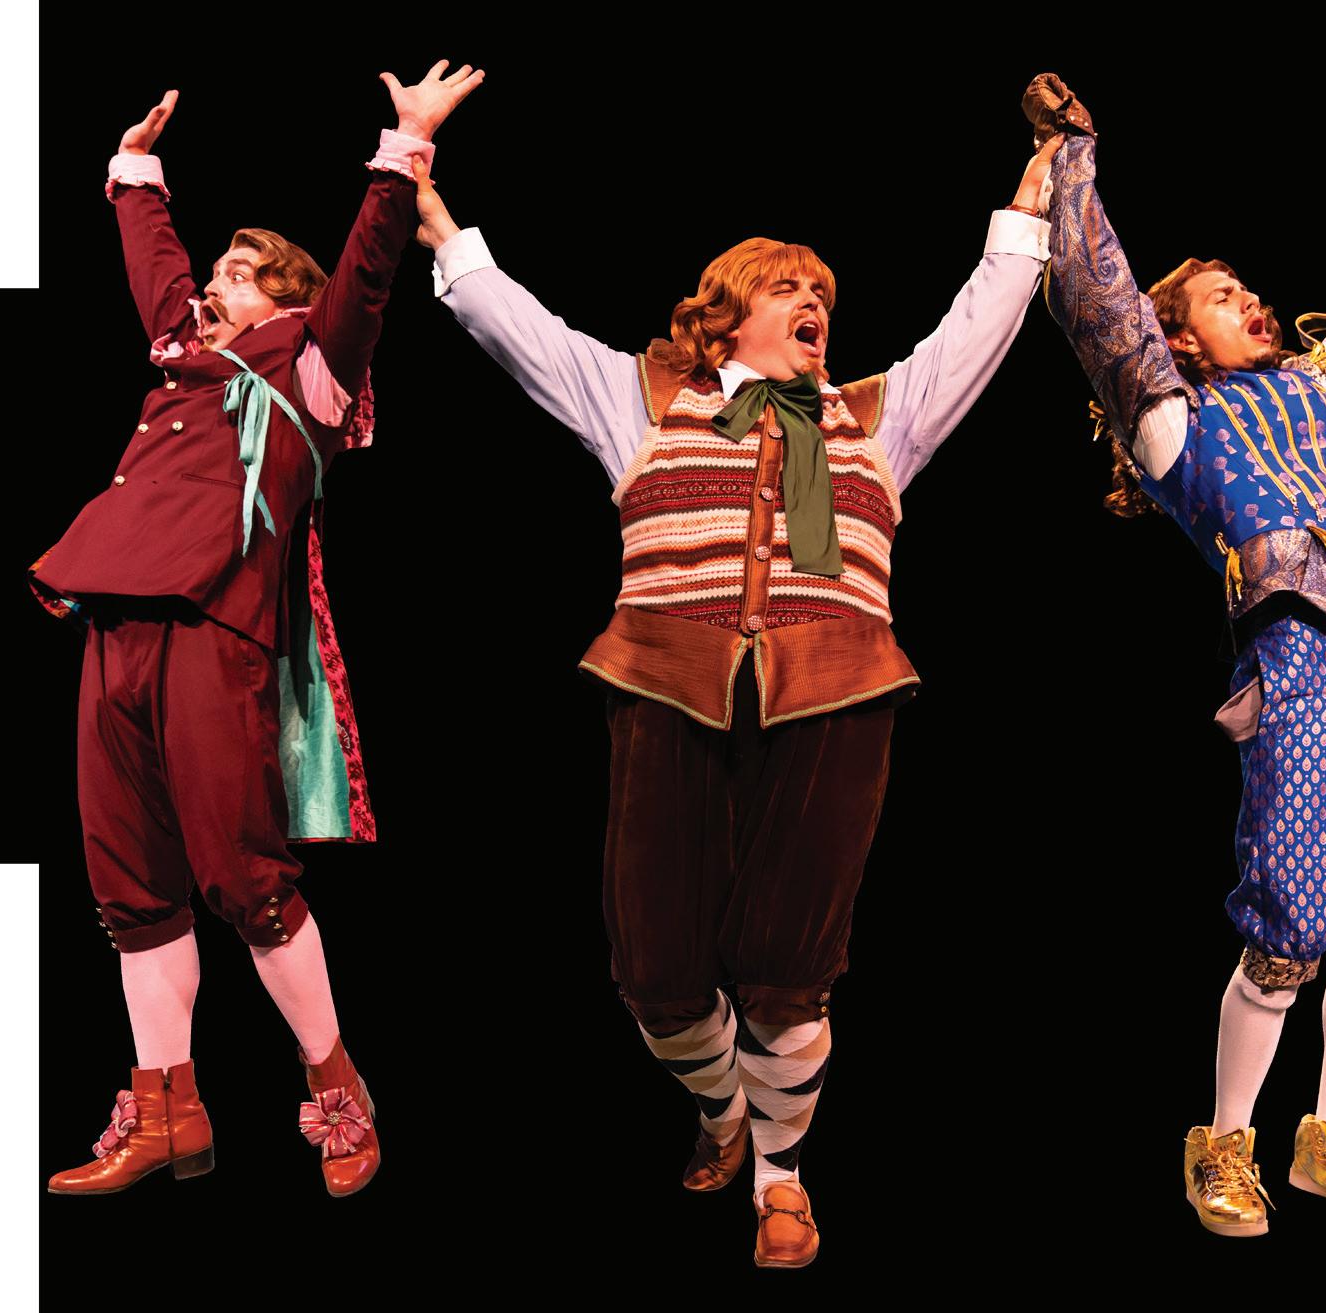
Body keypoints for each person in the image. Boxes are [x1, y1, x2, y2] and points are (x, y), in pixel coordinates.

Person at [406, 135, 1058, 1265]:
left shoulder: (877, 417)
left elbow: (976, 326)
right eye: (787, 289)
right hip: (666, 683)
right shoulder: (644, 398)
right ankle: (721, 1109)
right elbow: (517, 326)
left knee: (789, 967)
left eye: (823, 296)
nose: (814, 305)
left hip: (835, 692)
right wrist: (434, 218)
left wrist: (1028, 208)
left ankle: (781, 1175)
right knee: (655, 970)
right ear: (723, 319)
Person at [33, 61, 483, 1198]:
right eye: (216, 272)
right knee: (128, 882)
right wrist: (137, 173)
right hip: (114, 618)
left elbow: (366, 275)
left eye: (236, 275)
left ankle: (337, 1085)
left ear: (284, 299)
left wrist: (403, 152)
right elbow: (157, 274)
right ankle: (165, 1110)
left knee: (244, 875)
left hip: (215, 627)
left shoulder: (313, 362)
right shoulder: (187, 357)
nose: (208, 289)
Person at [1027, 73, 1326, 1237]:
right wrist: (1070, 156)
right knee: (1291, 912)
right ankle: (1222, 1140)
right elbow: (1100, 302)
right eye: (1221, 296)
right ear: (1173, 339)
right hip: (1302, 657)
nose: (1251, 300)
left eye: (1248, 288)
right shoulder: (1172, 418)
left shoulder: (1314, 382)